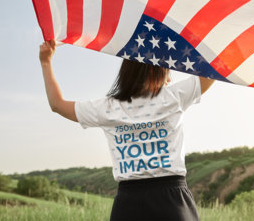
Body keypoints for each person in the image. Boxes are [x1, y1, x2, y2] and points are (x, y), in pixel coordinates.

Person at [39, 40, 214, 221]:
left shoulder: (107, 107)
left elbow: (57, 105)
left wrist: (46, 62)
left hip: (129, 203)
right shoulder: (173, 96)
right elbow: (213, 67)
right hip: (172, 201)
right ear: (158, 70)